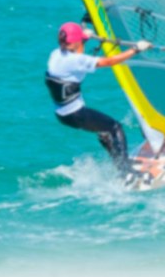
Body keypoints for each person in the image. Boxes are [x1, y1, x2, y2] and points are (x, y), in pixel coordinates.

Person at [45, 21, 151, 178]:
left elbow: (75, 49)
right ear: (75, 43)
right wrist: (135, 49)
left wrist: (84, 37)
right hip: (75, 114)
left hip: (62, 114)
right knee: (115, 127)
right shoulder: (75, 61)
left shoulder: (55, 55)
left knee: (105, 131)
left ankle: (121, 164)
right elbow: (109, 61)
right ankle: (125, 170)